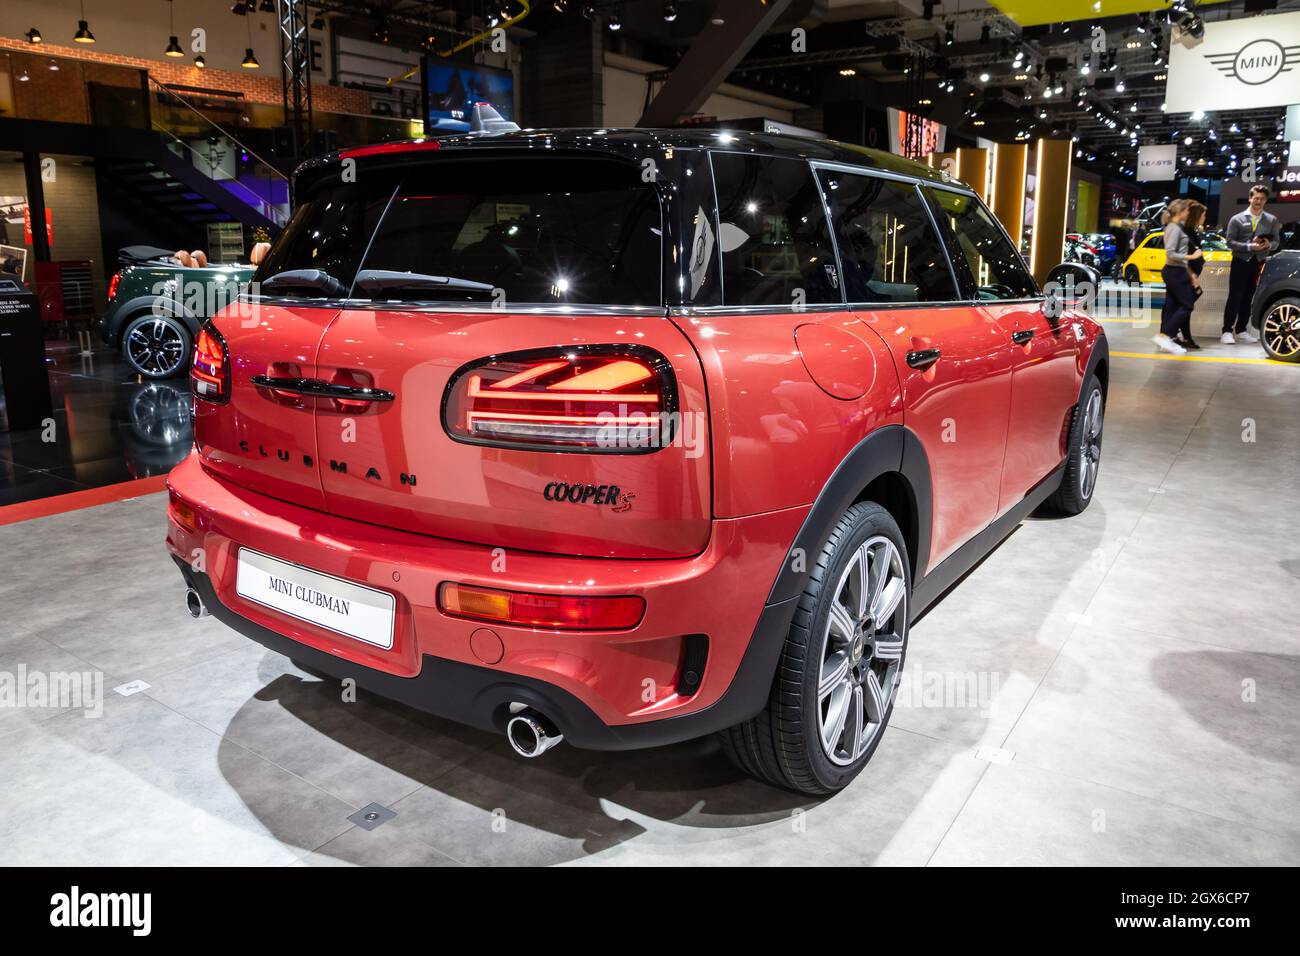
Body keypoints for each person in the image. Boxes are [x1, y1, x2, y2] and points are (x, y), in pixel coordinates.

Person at [1221, 184, 1281, 344]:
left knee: (1249, 297)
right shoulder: (1237, 219)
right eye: (1256, 198)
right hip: (1240, 261)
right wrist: (1249, 246)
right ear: (1250, 198)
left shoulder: (1272, 220)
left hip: (1259, 264)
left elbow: (1277, 242)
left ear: (1265, 200)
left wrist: (1268, 244)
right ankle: (1226, 330)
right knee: (1235, 296)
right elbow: (1229, 242)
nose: (1258, 201)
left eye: (1262, 199)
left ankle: (1241, 330)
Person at [1153, 199, 1200, 355]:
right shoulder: (1174, 228)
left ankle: (1166, 337)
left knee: (1171, 306)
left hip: (1176, 271)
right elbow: (1170, 253)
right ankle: (1165, 336)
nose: (1188, 213)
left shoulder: (1174, 227)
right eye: (1186, 211)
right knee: (1187, 305)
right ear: (1180, 212)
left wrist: (1190, 272)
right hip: (1174, 271)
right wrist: (1192, 257)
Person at [1176, 201, 1209, 350]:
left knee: (1184, 306)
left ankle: (1182, 336)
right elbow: (1182, 256)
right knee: (1185, 306)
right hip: (1185, 276)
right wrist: (1192, 276)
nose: (1204, 217)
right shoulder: (1185, 232)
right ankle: (1176, 335)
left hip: (1188, 275)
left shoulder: (1191, 231)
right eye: (1203, 214)